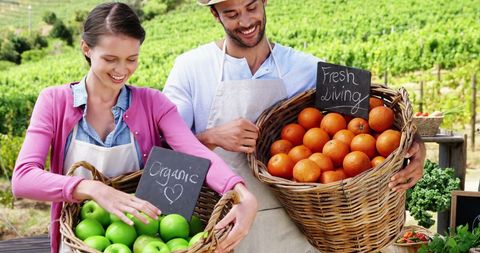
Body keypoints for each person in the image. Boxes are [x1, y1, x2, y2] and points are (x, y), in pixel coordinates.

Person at [163, 0, 426, 252]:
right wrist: (210, 137)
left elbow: (375, 114)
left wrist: (416, 144)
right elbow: (163, 151)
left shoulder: (304, 67)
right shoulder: (191, 69)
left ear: (264, 1)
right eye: (231, 14)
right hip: (220, 226)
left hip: (291, 225)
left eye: (251, 7)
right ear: (215, 15)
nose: (245, 21)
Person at [11, 3, 257, 253]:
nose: (121, 70)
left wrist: (240, 192)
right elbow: (22, 178)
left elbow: (195, 152)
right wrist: (92, 188)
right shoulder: (54, 101)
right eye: (110, 59)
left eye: (131, 59)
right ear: (86, 48)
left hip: (139, 241)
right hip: (78, 242)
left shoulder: (154, 103)